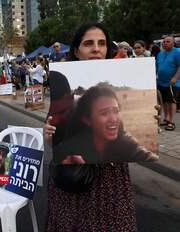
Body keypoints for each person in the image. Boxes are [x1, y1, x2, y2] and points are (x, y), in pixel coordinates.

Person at [45, 22, 137, 231]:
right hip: (75, 179)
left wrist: (152, 115)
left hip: (110, 181)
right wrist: (49, 134)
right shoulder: (64, 85)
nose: (96, 48)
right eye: (89, 43)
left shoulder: (118, 81)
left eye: (102, 43)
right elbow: (54, 138)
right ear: (76, 51)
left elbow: (124, 136)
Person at [156, 36, 180, 131]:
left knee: (171, 101)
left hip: (173, 82)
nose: (165, 43)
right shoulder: (160, 54)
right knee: (164, 101)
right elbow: (157, 67)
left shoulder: (177, 52)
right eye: (164, 42)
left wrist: (175, 77)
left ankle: (171, 121)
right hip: (161, 82)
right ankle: (166, 118)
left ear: (173, 43)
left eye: (168, 41)